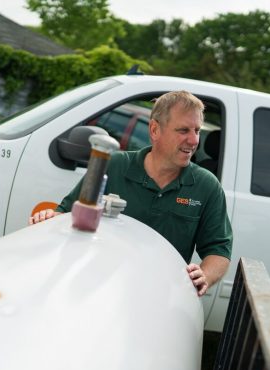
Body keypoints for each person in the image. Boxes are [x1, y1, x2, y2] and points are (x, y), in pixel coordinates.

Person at [29, 91, 232, 297]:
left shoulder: (207, 186)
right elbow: (68, 214)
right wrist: (49, 217)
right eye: (183, 130)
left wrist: (204, 275)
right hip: (99, 289)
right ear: (154, 129)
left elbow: (219, 250)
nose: (194, 140)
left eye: (197, 130)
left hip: (160, 299)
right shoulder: (114, 166)